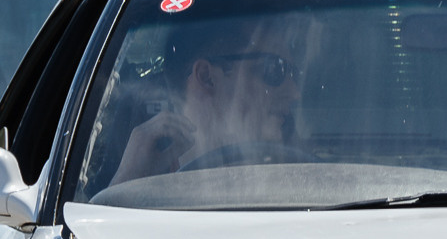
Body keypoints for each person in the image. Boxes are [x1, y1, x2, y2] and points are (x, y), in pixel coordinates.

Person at [110, 12, 312, 186]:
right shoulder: (138, 178)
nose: (295, 93)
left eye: (294, 74)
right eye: (275, 69)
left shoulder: (302, 173)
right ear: (207, 77)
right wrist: (127, 179)